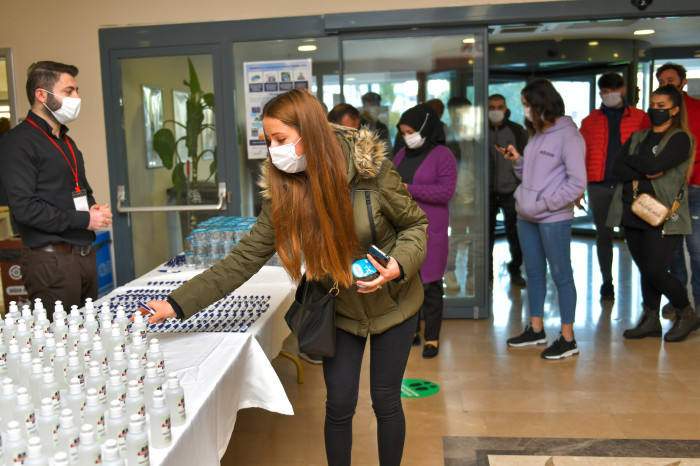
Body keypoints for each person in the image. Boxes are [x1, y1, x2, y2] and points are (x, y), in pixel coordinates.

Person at [142, 88, 428, 466]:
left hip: (395, 302)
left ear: (309, 133)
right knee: (339, 404)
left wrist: (396, 265)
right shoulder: (283, 189)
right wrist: (176, 303)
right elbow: (243, 258)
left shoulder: (370, 170)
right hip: (337, 307)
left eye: (280, 139)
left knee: (386, 400)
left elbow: (415, 225)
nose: (272, 149)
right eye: (268, 140)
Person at [0, 61, 112, 316]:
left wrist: (93, 209)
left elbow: (80, 190)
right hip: (51, 263)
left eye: (76, 90)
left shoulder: (66, 141)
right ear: (41, 95)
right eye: (69, 91)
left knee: (88, 337)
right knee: (62, 345)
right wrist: (85, 219)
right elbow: (26, 209)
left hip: (83, 256)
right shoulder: (17, 143)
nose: (77, 98)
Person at [607, 85, 699, 342]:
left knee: (656, 271)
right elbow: (617, 166)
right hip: (632, 210)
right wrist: (644, 168)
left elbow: (656, 165)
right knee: (646, 270)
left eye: (661, 107)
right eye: (653, 105)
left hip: (663, 215)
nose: (655, 110)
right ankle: (650, 319)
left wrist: (639, 164)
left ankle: (686, 312)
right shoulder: (639, 137)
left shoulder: (680, 138)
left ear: (675, 110)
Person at [503, 78, 586, 360]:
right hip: (527, 216)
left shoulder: (569, 136)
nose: (524, 110)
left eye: (527, 105)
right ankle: (535, 329)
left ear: (541, 104)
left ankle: (567, 337)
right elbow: (531, 175)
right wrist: (517, 160)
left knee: (562, 276)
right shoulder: (537, 134)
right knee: (534, 274)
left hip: (553, 219)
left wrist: (544, 204)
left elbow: (577, 184)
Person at [579, 72, 651, 301]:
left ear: (622, 90)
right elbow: (582, 154)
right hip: (599, 184)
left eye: (613, 90)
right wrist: (579, 187)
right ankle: (607, 282)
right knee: (604, 235)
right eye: (604, 92)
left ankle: (647, 283)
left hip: (631, 185)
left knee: (635, 235)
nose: (609, 95)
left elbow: (647, 150)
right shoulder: (590, 121)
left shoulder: (640, 118)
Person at [393, 103, 457, 358]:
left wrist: (410, 189)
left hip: (432, 230)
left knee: (430, 286)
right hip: (404, 231)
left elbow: (446, 191)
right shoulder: (400, 155)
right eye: (403, 132)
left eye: (410, 131)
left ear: (423, 129)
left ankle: (432, 337)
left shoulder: (443, 155)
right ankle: (414, 332)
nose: (407, 136)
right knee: (407, 283)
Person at [655, 63, 700, 318]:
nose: (666, 84)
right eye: (662, 81)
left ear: (682, 82)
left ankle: (699, 303)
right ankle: (679, 301)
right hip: (666, 191)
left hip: (695, 190)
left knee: (696, 249)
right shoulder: (658, 113)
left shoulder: (697, 108)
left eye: (670, 80)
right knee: (672, 253)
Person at [487, 94, 528, 287]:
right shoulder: (481, 130)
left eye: (499, 107)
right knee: (486, 236)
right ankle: (486, 274)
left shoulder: (517, 130)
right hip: (486, 192)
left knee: (514, 234)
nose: (496, 111)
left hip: (511, 190)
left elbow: (525, 159)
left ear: (505, 109)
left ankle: (515, 270)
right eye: (492, 107)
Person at [443, 96, 478, 294]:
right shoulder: (446, 135)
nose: (461, 116)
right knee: (455, 236)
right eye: (457, 112)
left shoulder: (474, 135)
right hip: (454, 195)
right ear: (451, 112)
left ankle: (473, 274)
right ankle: (450, 272)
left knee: (474, 236)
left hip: (474, 193)